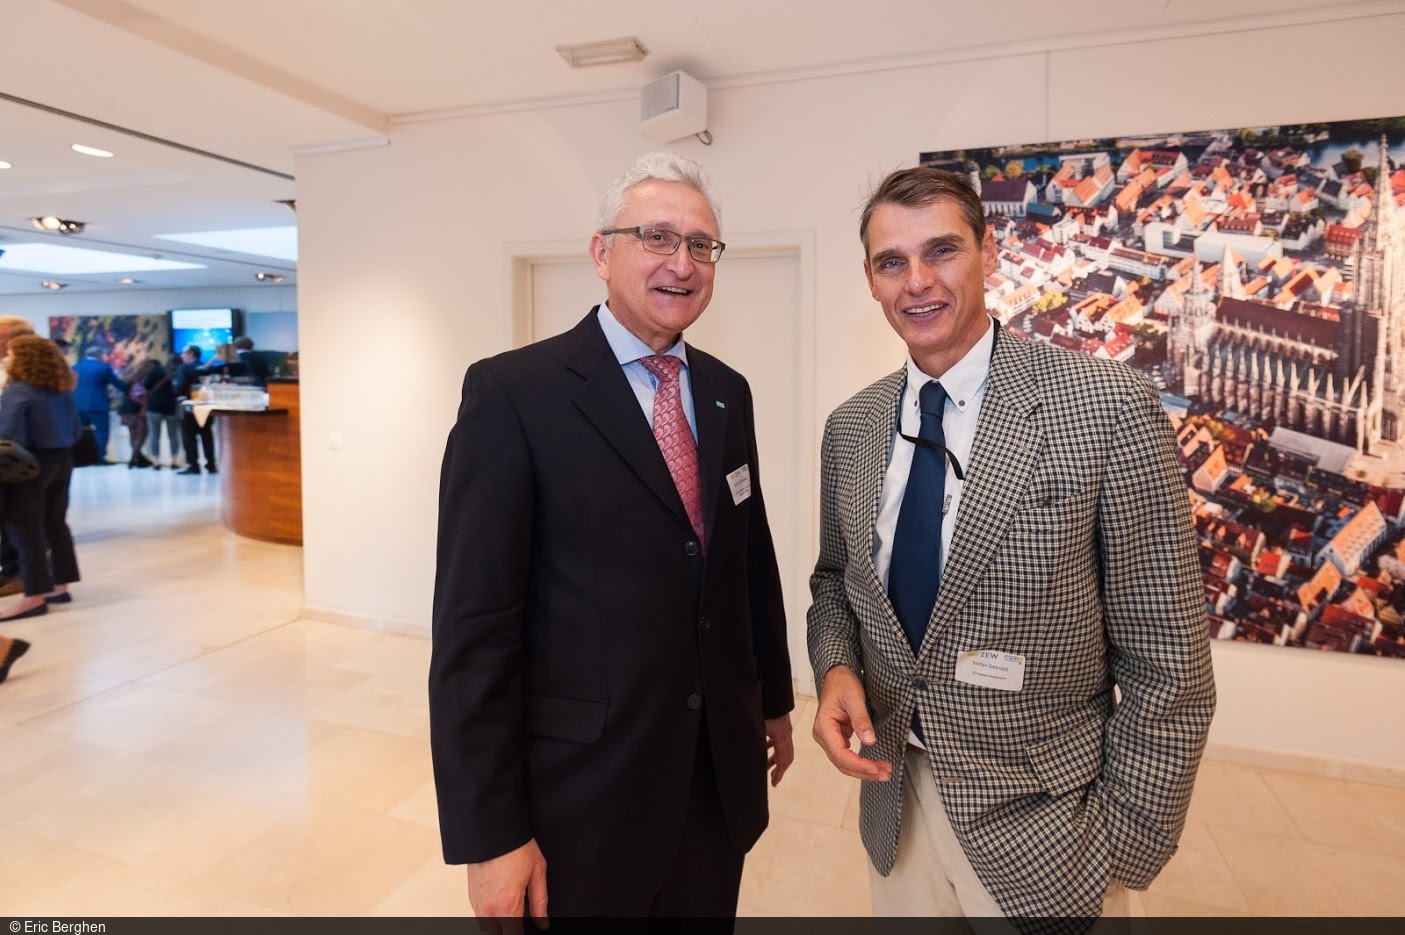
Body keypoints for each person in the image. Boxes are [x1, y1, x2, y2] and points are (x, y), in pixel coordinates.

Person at [807, 167, 1216, 921]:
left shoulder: (1106, 407)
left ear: (989, 254)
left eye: (942, 250)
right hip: (894, 805)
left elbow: (1170, 658)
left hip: (1051, 828)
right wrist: (835, 666)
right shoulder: (851, 427)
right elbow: (834, 581)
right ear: (869, 279)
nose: (917, 282)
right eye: (891, 262)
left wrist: (1124, 842)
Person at [429, 152, 794, 922]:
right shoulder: (512, 394)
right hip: (581, 799)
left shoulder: (725, 391)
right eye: (656, 237)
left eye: (701, 245)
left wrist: (770, 700)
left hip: (713, 780)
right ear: (601, 252)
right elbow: (473, 631)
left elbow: (745, 560)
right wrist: (491, 833)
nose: (682, 263)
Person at [0, 335, 82, 620]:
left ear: (24, 359)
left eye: (11, 354)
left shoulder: (18, 391)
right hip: (62, 461)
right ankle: (60, 586)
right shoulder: (62, 390)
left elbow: (9, 436)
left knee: (25, 529)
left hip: (28, 467)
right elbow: (76, 431)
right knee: (55, 523)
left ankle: (34, 596)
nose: (7, 359)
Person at [0, 316, 35, 598]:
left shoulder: (26, 375)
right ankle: (10, 568)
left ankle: (25, 575)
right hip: (9, 453)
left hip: (17, 456)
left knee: (19, 518)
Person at [72, 347, 127, 464]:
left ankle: (80, 457)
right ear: (99, 355)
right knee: (101, 432)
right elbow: (119, 384)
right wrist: (131, 387)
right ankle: (99, 458)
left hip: (78, 405)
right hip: (97, 406)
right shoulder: (103, 368)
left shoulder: (75, 367)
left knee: (79, 433)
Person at [173, 345, 216, 475]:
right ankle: (211, 464)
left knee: (189, 437)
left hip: (188, 407)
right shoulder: (207, 368)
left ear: (191, 354)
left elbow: (180, 386)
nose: (182, 356)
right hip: (206, 406)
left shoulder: (184, 368)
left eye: (184, 353)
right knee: (207, 435)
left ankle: (193, 465)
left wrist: (175, 390)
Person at [143, 356, 182, 469]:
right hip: (172, 407)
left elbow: (146, 386)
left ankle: (156, 460)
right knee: (173, 435)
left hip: (154, 406)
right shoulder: (178, 371)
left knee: (154, 434)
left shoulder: (156, 370)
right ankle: (174, 461)